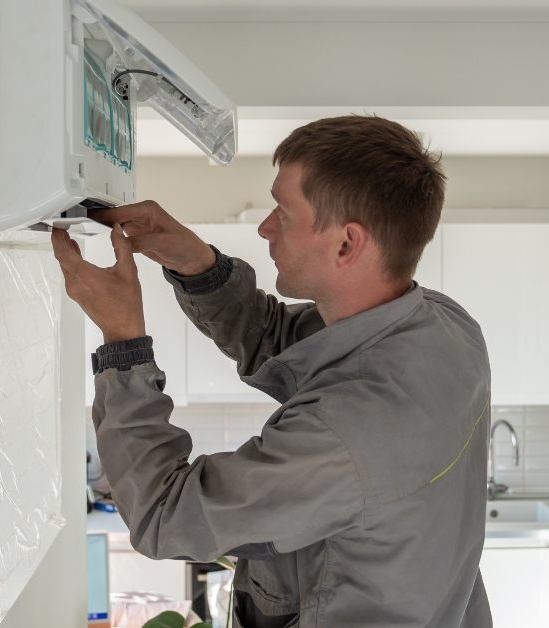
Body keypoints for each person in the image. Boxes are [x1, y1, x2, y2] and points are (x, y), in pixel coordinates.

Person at [52, 116, 492, 628]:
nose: (265, 227)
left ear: (346, 244)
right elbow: (279, 341)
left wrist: (122, 341)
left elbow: (165, 516)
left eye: (283, 213)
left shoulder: (347, 436)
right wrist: (199, 266)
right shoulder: (445, 328)